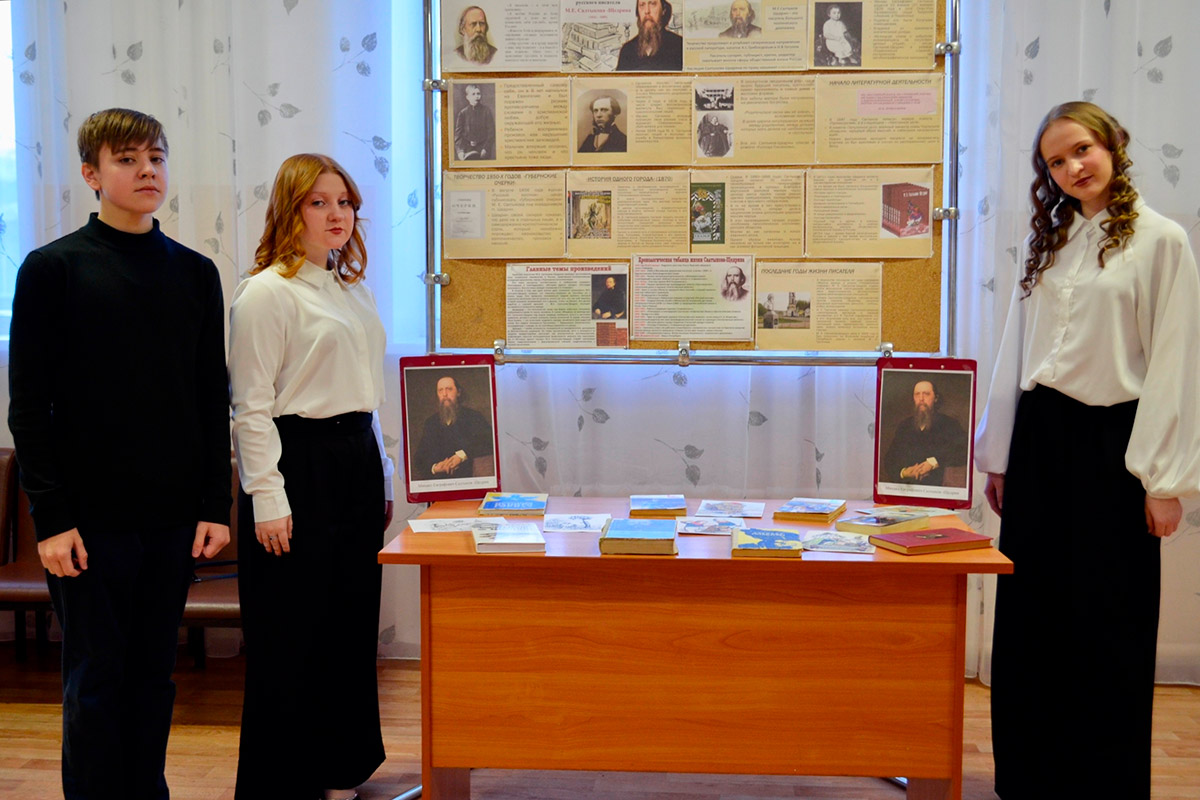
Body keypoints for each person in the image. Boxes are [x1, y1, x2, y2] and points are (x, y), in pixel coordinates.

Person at [975, 101, 1200, 799]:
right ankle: (1029, 777)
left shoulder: (1161, 242)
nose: (1072, 167)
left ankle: (1105, 783)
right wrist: (1000, 455)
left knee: (1110, 618)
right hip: (1041, 440)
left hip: (1113, 447)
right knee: (1033, 615)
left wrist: (1165, 480)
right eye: (1056, 160)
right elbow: (1017, 348)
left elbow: (1176, 361)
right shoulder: (1049, 239)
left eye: (1081, 150)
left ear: (1113, 146)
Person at [7, 107, 231, 799]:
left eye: (156, 158)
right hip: (87, 522)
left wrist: (214, 506)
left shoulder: (195, 273)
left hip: (171, 518)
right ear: (92, 174)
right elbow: (28, 408)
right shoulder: (53, 269)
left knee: (152, 679)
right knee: (96, 681)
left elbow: (209, 400)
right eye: (128, 159)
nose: (146, 171)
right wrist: (51, 518)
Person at [229, 153, 395, 800]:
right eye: (319, 202)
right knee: (291, 628)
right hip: (298, 466)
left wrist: (381, 474)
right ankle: (286, 781)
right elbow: (250, 406)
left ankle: (340, 766)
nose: (336, 214)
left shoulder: (353, 290)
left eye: (344, 202)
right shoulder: (266, 292)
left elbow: (366, 391)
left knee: (349, 620)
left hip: (356, 462)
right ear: (290, 211)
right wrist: (266, 497)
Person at [882, 380, 967, 486]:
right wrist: (905, 472)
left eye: (926, 394)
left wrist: (933, 463)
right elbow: (890, 459)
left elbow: (963, 451)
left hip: (938, 489)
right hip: (907, 488)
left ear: (935, 398)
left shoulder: (949, 424)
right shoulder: (904, 426)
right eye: (917, 394)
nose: (921, 399)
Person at [413, 375, 496, 478]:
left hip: (468, 479)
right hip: (439, 482)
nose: (444, 394)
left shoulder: (473, 417)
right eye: (440, 390)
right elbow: (419, 458)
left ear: (458, 392)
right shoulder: (430, 423)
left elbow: (489, 442)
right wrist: (435, 467)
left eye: (449, 389)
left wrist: (461, 456)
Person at [616, 0, 683, 71]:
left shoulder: (679, 46)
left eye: (652, 4)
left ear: (663, 10)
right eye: (642, 5)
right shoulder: (627, 51)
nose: (647, 11)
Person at [454, 84, 495, 160]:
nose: (477, 96)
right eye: (473, 94)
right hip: (467, 150)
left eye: (478, 94)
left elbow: (491, 133)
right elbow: (458, 135)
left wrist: (486, 149)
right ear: (467, 97)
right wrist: (460, 151)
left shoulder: (486, 111)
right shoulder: (463, 113)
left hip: (483, 150)